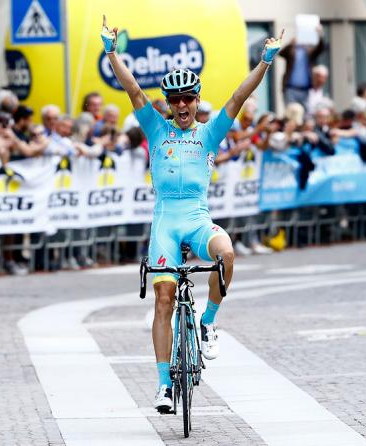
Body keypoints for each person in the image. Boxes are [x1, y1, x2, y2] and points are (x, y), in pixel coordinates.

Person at [101, 14, 282, 412]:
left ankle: (208, 321)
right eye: (175, 100)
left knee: (228, 253)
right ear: (169, 104)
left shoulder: (209, 132)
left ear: (197, 101)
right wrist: (112, 53)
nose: (182, 105)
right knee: (164, 298)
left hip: (198, 219)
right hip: (166, 222)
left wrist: (266, 62)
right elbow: (132, 90)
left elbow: (238, 96)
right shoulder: (156, 129)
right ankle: (164, 385)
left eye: (188, 99)